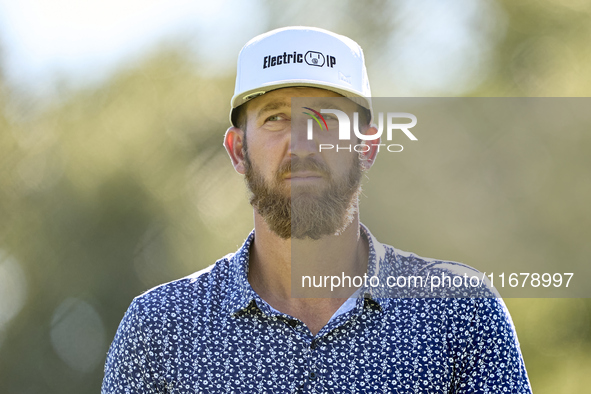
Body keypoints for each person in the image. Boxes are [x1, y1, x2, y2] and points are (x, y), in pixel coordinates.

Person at [102, 26, 532, 393]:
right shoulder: (159, 331)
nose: (304, 143)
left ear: (366, 145)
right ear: (238, 150)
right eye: (275, 118)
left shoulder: (461, 314)